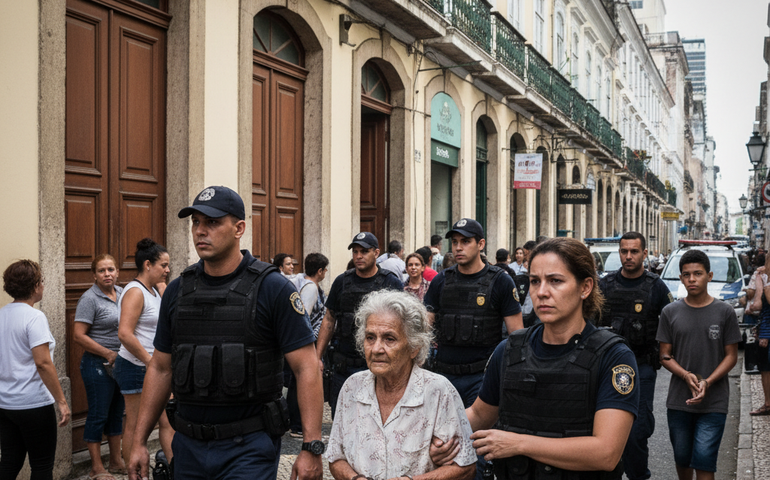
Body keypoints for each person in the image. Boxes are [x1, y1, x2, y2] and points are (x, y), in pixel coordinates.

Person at [127, 185, 324, 480]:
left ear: (239, 228)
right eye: (196, 222)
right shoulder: (177, 291)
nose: (200, 231)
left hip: (248, 448)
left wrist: (311, 446)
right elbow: (160, 367)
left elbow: (306, 367)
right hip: (189, 446)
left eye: (213, 222)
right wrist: (139, 441)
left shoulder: (272, 288)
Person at [432, 238, 639, 480]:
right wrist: (441, 437)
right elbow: (479, 415)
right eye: (534, 281)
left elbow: (606, 452)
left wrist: (519, 444)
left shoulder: (613, 356)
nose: (541, 292)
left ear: (585, 288)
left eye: (555, 281)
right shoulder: (509, 350)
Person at [326, 290, 476, 480]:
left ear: (414, 347)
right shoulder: (352, 387)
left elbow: (465, 468)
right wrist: (355, 479)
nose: (377, 349)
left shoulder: (438, 391)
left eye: (389, 339)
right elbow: (335, 457)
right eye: (370, 337)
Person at [657, 249, 740, 480]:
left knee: (705, 462)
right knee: (682, 460)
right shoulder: (670, 312)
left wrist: (708, 382)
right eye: (686, 274)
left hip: (714, 402)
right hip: (679, 401)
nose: (692, 279)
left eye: (698, 274)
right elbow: (664, 355)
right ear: (681, 277)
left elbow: (731, 356)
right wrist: (685, 375)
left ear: (709, 276)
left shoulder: (725, 312)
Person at [423, 218, 523, 409]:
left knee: (475, 436)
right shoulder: (441, 280)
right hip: (443, 377)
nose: (458, 247)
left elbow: (516, 336)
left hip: (482, 378)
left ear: (481, 244)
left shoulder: (501, 281)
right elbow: (423, 329)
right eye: (454, 242)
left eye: (465, 241)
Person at [596, 231, 671, 480]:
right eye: (624, 251)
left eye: (634, 251)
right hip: (606, 369)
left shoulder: (656, 287)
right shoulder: (604, 285)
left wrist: (666, 353)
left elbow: (672, 322)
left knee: (637, 431)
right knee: (603, 428)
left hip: (642, 367)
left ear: (644, 253)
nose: (628, 256)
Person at [316, 232, 404, 418]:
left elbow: (402, 324)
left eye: (364, 251)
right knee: (342, 420)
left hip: (379, 367)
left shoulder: (391, 282)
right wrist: (317, 357)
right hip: (344, 366)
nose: (358, 256)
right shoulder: (342, 281)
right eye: (355, 252)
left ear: (376, 253)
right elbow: (329, 319)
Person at [0, 260, 71, 479]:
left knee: (10, 462)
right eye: (41, 281)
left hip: (5, 403)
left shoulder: (1, 315)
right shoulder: (35, 317)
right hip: (33, 404)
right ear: (35, 285)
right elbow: (43, 363)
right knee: (41, 465)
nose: (43, 285)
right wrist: (61, 400)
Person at [115, 238, 174, 470]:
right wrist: (151, 362)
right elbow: (125, 334)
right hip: (136, 367)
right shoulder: (135, 292)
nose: (168, 270)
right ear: (148, 265)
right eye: (164, 265)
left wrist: (162, 288)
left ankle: (174, 468)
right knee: (136, 425)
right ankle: (135, 473)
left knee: (168, 420)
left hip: (153, 367)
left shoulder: (153, 290)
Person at [73, 254, 126, 479]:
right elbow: (78, 335)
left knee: (116, 413)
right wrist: (107, 352)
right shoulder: (89, 298)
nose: (107, 274)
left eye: (111, 269)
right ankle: (96, 467)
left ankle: (115, 461)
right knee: (98, 414)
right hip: (97, 364)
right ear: (94, 275)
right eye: (102, 270)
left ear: (117, 272)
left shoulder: (123, 294)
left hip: (121, 363)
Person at [285, 253, 330, 437]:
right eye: (325, 270)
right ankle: (297, 426)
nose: (326, 273)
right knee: (302, 382)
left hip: (303, 341)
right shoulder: (310, 287)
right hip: (307, 342)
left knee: (296, 382)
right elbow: (304, 314)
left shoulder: (302, 281)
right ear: (319, 271)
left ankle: (292, 423)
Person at [750, 261, 770, 415]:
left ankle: (768, 404)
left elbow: (758, 305)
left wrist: (760, 279)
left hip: (767, 333)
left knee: (766, 369)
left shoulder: (767, 282)